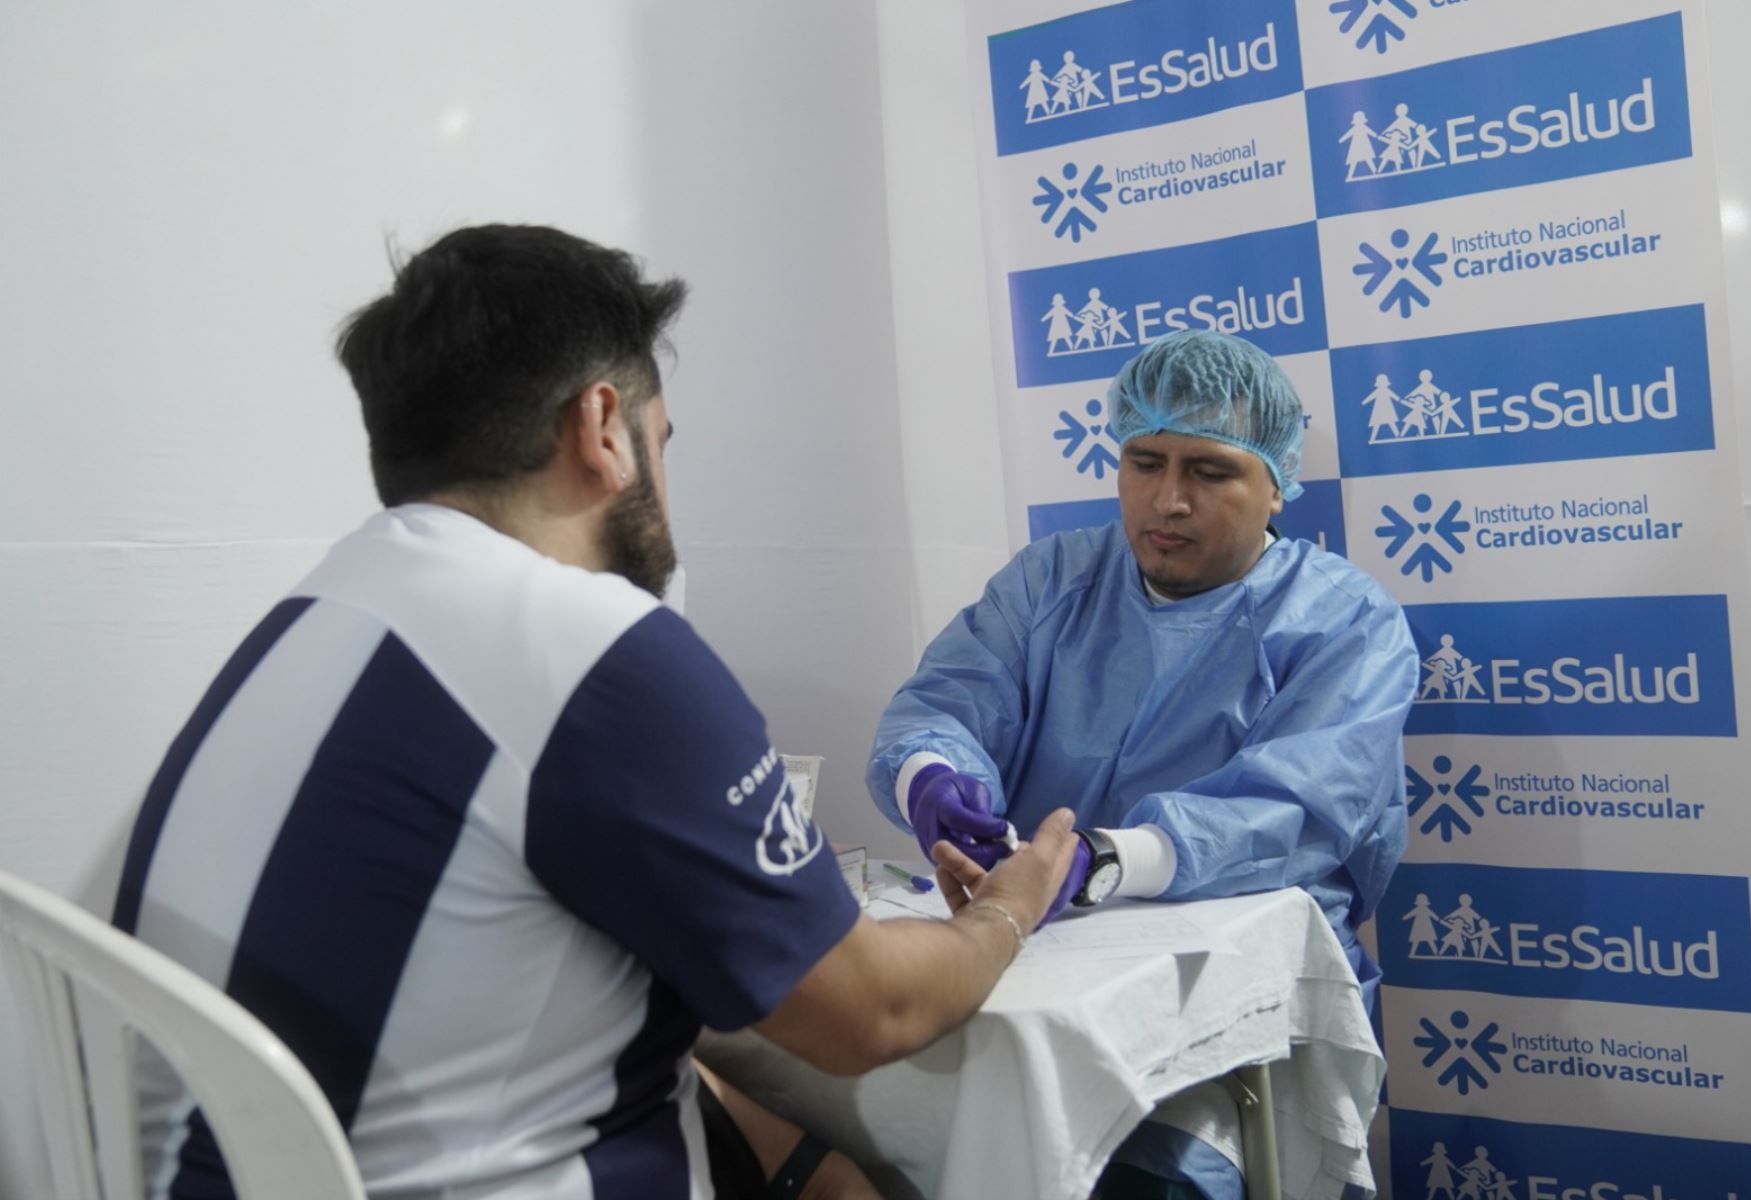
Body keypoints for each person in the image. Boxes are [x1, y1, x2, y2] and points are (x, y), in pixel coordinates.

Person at [112, 223, 1079, 1200]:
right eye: (664, 443)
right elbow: (873, 1014)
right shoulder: (594, 646)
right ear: (603, 426)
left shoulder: (313, 616)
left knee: (817, 1168)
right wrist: (1011, 906)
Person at [866, 329, 1416, 1200]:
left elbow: (1297, 815)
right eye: (1144, 461)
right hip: (1023, 960)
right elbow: (943, 703)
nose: (1168, 500)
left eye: (1209, 471)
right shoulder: (1053, 581)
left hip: (1225, 1000)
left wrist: (1105, 860)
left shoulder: (1346, 625)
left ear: (1275, 486)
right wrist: (934, 779)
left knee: (1154, 1183)